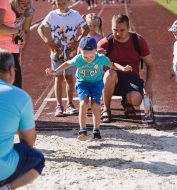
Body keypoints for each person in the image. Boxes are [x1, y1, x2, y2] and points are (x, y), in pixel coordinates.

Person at [45, 37, 132, 140]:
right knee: (83, 103)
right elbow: (67, 63)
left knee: (95, 105)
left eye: (91, 56)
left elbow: (112, 65)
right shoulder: (78, 58)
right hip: (82, 83)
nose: (88, 59)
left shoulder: (100, 58)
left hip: (96, 84)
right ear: (80, 52)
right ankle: (82, 130)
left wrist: (122, 68)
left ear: (96, 51)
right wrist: (55, 71)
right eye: (85, 56)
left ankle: (96, 130)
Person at [0, 50, 45, 190]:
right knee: (37, 158)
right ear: (11, 70)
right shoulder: (20, 96)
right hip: (2, 168)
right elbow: (28, 141)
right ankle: (6, 187)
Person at [97, 13, 154, 122]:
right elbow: (87, 59)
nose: (118, 33)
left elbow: (150, 65)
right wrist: (95, 56)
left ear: (129, 28)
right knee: (109, 74)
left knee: (136, 100)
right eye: (115, 30)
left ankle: (127, 102)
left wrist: (148, 85)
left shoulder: (138, 41)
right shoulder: (105, 43)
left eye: (122, 30)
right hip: (112, 79)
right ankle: (106, 109)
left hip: (132, 78)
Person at [38, 0, 89, 117]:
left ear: (68, 2)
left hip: (71, 52)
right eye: (58, 3)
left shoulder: (75, 14)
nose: (61, 5)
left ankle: (70, 104)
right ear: (55, 2)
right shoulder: (52, 15)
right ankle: (59, 105)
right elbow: (40, 28)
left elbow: (85, 28)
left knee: (70, 77)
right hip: (57, 52)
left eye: (63, 2)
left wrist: (78, 41)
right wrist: (47, 40)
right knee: (58, 77)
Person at [0, 0, 35, 88]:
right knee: (12, 88)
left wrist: (21, 42)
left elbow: (25, 30)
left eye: (28, 2)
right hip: (3, 51)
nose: (26, 5)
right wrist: (17, 31)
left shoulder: (29, 9)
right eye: (23, 3)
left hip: (13, 50)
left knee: (15, 87)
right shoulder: (3, 2)